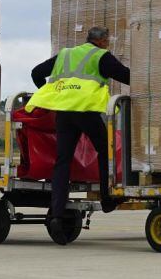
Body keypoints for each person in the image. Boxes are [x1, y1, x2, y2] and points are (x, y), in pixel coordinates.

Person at [28, 26, 130, 244]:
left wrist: (53, 95)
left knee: (62, 161)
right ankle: (106, 198)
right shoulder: (101, 56)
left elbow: (36, 72)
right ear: (102, 41)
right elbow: (126, 76)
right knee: (105, 150)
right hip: (87, 112)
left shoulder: (66, 54)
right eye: (107, 40)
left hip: (64, 113)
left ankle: (56, 214)